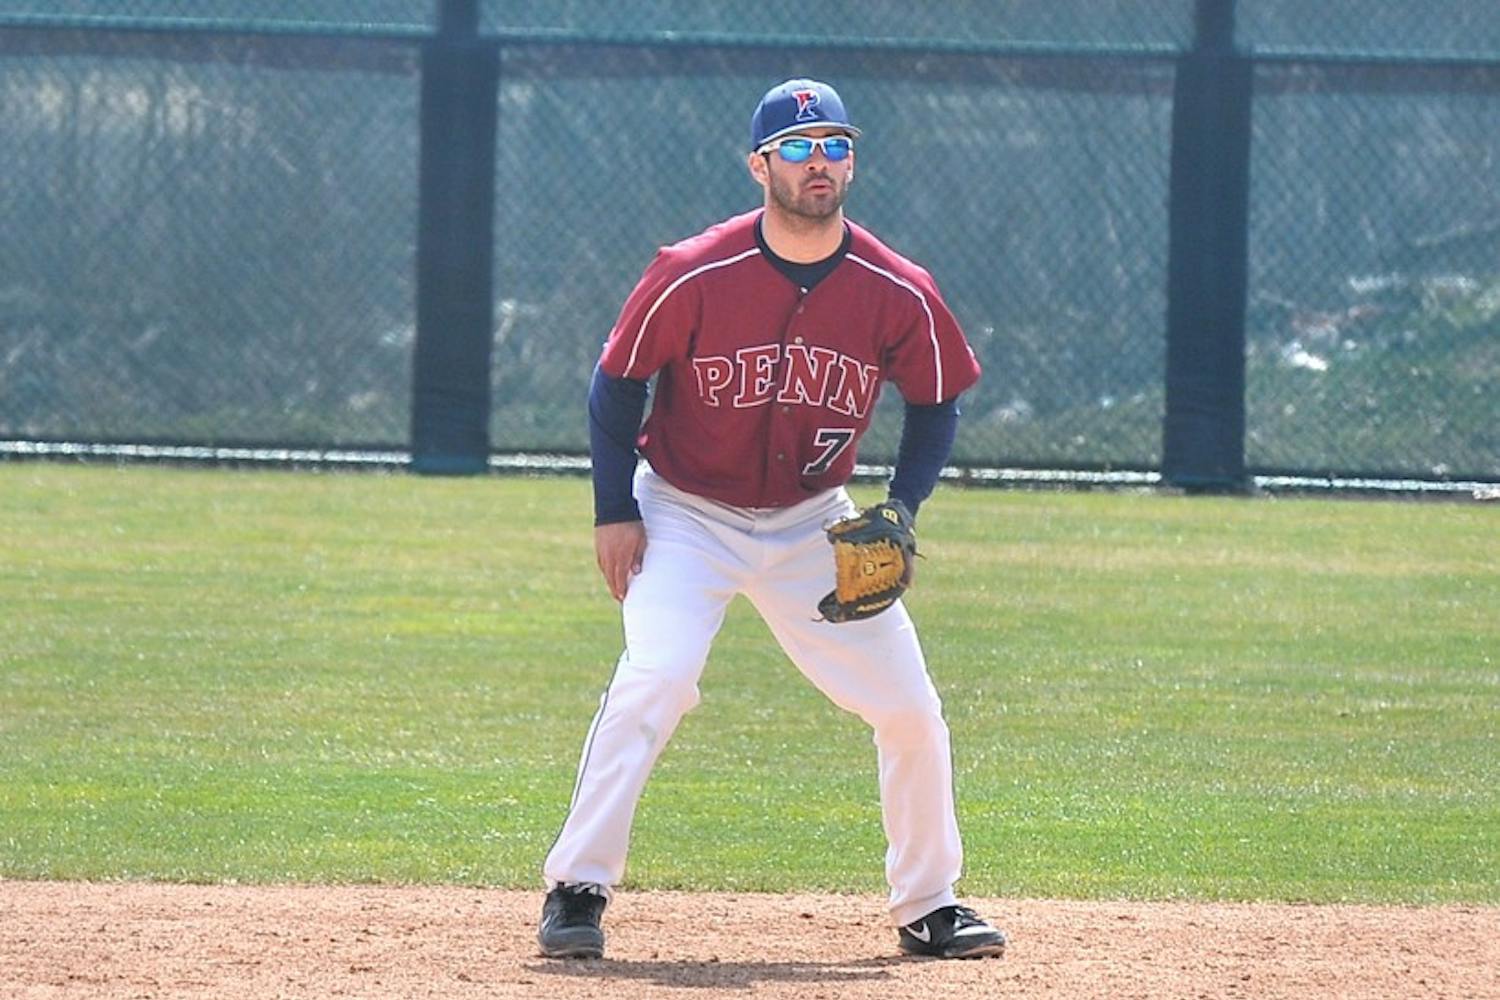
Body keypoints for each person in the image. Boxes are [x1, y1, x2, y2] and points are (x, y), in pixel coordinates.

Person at [538, 78, 1005, 962]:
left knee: (909, 707)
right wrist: (613, 511)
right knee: (659, 678)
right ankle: (578, 886)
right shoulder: (693, 270)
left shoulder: (895, 287)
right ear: (761, 166)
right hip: (681, 511)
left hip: (809, 524)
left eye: (834, 144)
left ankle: (930, 904)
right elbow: (615, 386)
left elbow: (937, 400)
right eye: (797, 147)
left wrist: (902, 507)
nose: (818, 160)